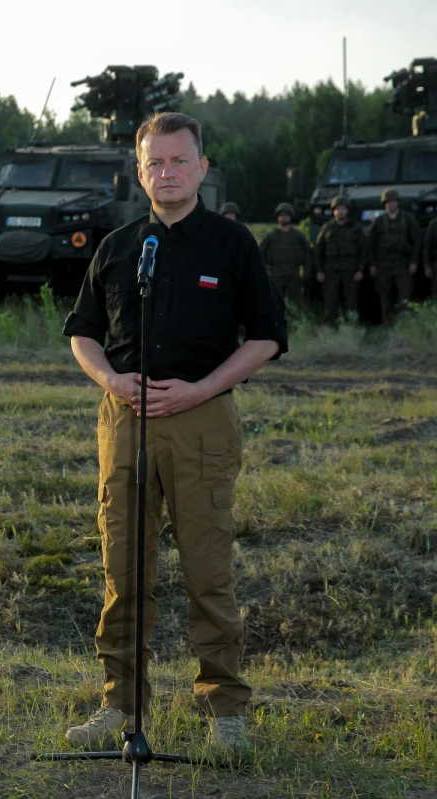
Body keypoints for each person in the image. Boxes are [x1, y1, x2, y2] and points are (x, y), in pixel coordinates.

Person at [61, 111, 287, 755]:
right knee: (123, 570)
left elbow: (268, 337)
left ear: (202, 168)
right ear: (139, 172)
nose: (167, 172)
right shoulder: (118, 247)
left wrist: (201, 388)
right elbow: (82, 332)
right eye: (155, 162)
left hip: (201, 419)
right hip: (125, 419)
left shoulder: (232, 245)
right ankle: (119, 707)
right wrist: (109, 378)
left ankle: (225, 710)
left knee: (207, 573)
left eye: (179, 161)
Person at [368, 189, 421, 322]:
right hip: (383, 263)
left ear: (398, 202)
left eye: (393, 201)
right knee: (385, 294)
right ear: (384, 204)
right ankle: (387, 321)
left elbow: (416, 241)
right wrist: (372, 264)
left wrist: (414, 262)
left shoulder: (408, 220)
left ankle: (403, 322)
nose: (391, 204)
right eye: (388, 202)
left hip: (402, 262)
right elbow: (370, 244)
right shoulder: (379, 221)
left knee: (404, 293)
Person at [313, 195, 367, 325]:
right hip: (331, 271)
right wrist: (319, 270)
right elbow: (318, 250)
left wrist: (360, 269)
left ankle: (351, 327)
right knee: (330, 301)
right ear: (333, 211)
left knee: (351, 302)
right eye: (337, 209)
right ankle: (330, 327)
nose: (340, 211)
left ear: (347, 210)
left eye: (343, 209)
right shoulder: (327, 228)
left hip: (350, 270)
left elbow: (363, 251)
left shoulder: (356, 228)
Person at [258, 202, 310, 309]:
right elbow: (260, 254)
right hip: (276, 273)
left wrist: (306, 272)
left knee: (296, 303)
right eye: (281, 215)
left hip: (294, 273)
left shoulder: (298, 236)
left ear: (291, 217)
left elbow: (308, 254)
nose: (284, 217)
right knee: (275, 303)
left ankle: (295, 323)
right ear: (277, 217)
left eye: (286, 215)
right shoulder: (270, 236)